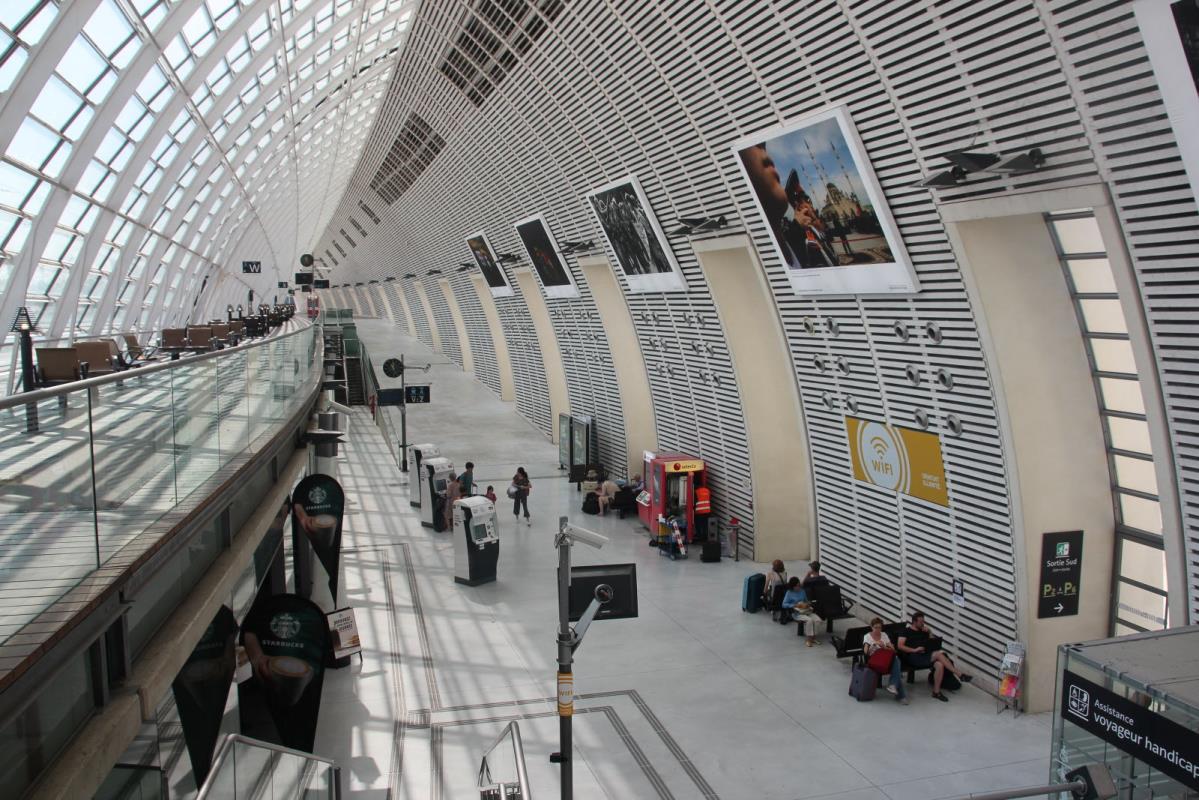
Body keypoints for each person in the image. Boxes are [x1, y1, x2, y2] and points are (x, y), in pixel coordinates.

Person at [897, 612, 972, 702]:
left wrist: (929, 632)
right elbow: (900, 646)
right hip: (914, 656)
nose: (922, 624)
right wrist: (914, 650)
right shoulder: (905, 631)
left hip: (925, 655)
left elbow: (932, 643)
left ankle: (936, 692)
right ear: (914, 622)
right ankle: (960, 674)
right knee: (938, 654)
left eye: (923, 622)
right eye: (920, 622)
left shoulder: (923, 631)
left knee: (939, 665)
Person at [863, 617, 908, 704]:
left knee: (896, 661)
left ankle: (893, 686)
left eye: (879, 627)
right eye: (875, 627)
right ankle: (899, 694)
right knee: (896, 666)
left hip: (885, 659)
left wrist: (884, 646)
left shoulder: (884, 635)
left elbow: (893, 650)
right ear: (872, 627)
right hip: (875, 660)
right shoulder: (867, 637)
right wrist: (874, 645)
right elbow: (866, 651)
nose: (877, 630)